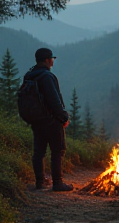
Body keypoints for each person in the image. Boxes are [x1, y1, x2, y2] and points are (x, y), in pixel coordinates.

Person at [24, 48, 73, 191]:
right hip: (51, 120)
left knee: (39, 151)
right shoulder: (47, 77)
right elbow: (54, 100)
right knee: (57, 151)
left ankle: (40, 182)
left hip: (36, 120)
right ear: (47, 60)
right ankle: (57, 183)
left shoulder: (30, 76)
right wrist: (63, 117)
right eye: (52, 58)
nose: (53, 61)